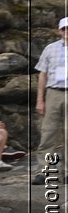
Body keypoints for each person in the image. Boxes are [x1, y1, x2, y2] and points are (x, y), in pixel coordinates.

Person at [36, 17, 68, 183]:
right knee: (48, 132)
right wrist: (40, 100)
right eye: (64, 29)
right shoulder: (50, 48)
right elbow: (42, 74)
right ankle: (43, 171)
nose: (67, 32)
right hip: (53, 92)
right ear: (59, 31)